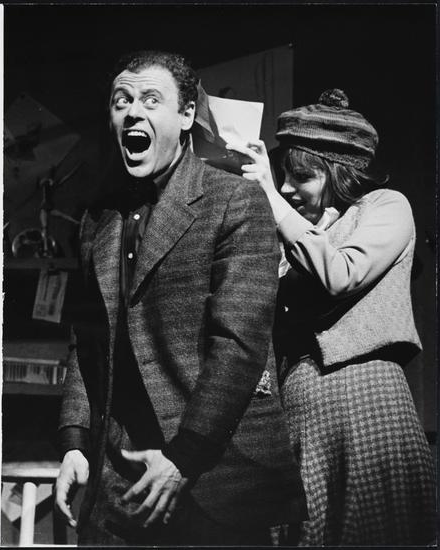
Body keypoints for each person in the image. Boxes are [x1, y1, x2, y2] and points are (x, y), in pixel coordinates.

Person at [54, 50, 307, 546]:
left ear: (187, 115)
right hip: (118, 477)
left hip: (212, 476)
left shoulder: (235, 201)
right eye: (121, 101)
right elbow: (86, 341)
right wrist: (76, 442)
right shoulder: (97, 219)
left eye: (151, 100)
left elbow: (239, 344)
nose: (133, 112)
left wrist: (185, 455)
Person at [227, 88, 436, 546]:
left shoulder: (385, 206)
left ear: (339, 171)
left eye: (301, 176)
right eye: (283, 176)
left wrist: (273, 201)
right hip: (300, 405)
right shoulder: (296, 232)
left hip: (364, 397)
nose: (287, 188)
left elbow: (341, 274)